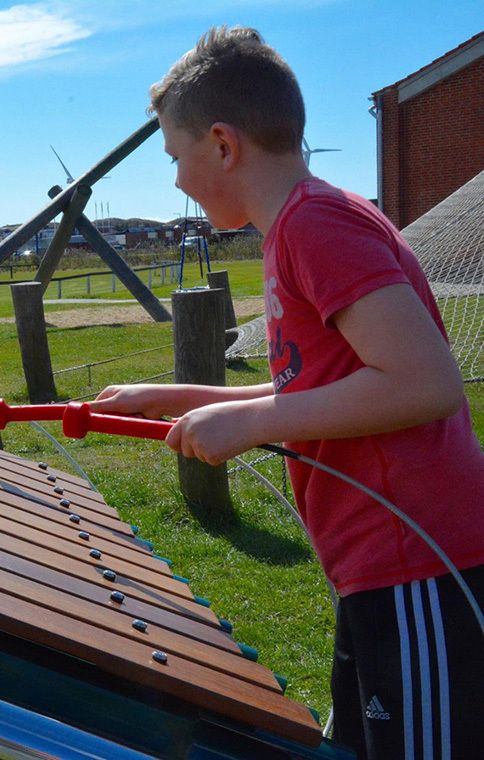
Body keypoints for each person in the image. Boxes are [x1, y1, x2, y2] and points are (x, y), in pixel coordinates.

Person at [90, 27, 484, 758]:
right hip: (377, 566)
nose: (174, 180)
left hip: (420, 563)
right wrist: (170, 394)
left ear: (221, 144)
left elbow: (425, 381)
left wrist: (254, 422)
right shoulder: (300, 223)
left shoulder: (313, 224)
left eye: (175, 157)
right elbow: (316, 387)